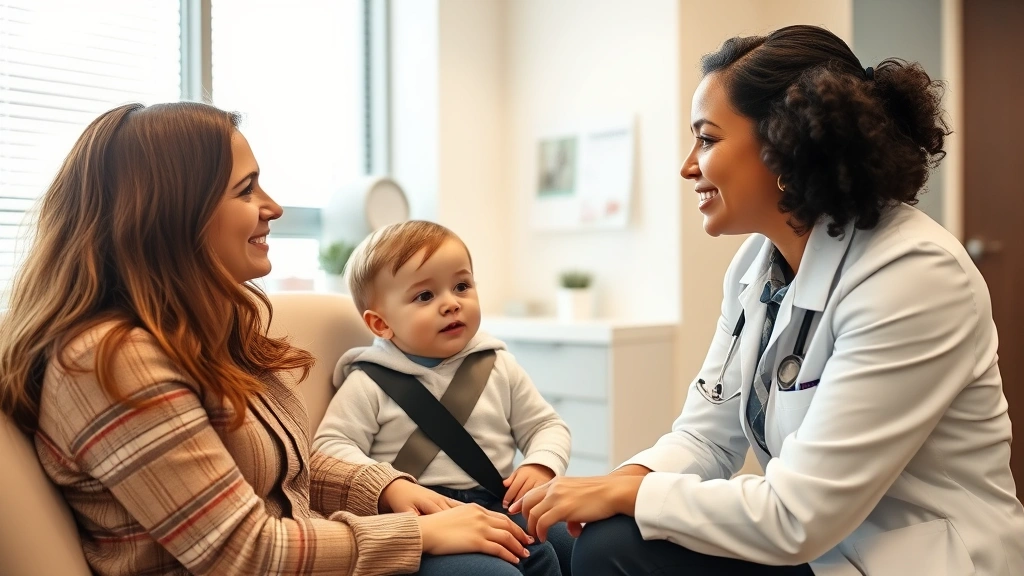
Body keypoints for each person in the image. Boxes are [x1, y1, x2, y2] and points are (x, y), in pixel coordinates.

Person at [511, 24, 1024, 575]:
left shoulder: (914, 274)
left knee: (612, 547)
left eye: (706, 139)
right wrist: (616, 484)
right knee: (563, 539)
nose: (688, 166)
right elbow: (706, 436)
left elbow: (798, 516)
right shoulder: (756, 267)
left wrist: (631, 499)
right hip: (824, 547)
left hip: (909, 558)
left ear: (784, 147)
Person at [0, 102, 537, 576]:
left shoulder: (199, 334)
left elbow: (284, 469)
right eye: (246, 189)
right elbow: (242, 554)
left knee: (537, 546)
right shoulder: (112, 362)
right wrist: (416, 534)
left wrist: (384, 488)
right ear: (172, 213)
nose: (273, 207)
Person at [313, 220, 574, 576]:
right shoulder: (367, 382)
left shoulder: (498, 365)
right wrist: (390, 485)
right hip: (424, 517)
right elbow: (329, 447)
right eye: (425, 296)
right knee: (510, 567)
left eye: (462, 286)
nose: (451, 304)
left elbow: (545, 425)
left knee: (571, 541)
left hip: (499, 499)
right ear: (380, 324)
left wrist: (541, 463)